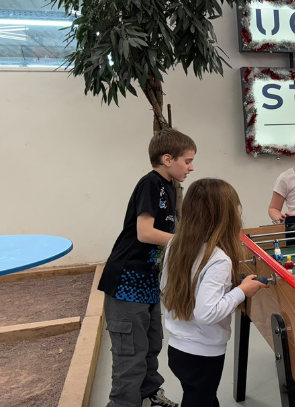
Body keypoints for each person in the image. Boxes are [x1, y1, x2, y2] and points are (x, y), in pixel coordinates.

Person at [97, 128, 196, 407]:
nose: (191, 166)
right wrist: (186, 243)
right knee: (130, 356)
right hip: (126, 286)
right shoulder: (151, 183)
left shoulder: (167, 186)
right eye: (187, 161)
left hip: (147, 286)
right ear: (167, 159)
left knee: (151, 346)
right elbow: (144, 232)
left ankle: (150, 396)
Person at [160, 178, 268, 407]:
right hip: (203, 354)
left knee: (201, 397)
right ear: (226, 216)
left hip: (178, 348)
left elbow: (165, 287)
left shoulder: (175, 243)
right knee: (201, 399)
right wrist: (241, 291)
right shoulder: (218, 259)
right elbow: (207, 313)